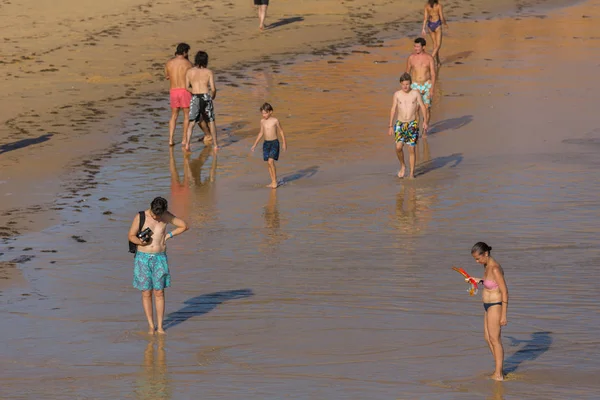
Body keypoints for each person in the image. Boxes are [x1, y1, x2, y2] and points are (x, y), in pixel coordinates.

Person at [128, 197, 189, 335]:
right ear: (151, 208)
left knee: (159, 292)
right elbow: (131, 235)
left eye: (159, 216)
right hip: (142, 258)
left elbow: (184, 225)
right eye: (155, 215)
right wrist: (140, 242)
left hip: (160, 258)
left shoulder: (166, 216)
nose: (156, 218)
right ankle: (151, 326)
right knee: (146, 292)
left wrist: (169, 235)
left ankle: (160, 326)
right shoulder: (141, 216)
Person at [467, 242, 509, 381]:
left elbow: (504, 291)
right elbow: (489, 283)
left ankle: (499, 374)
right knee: (488, 338)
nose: (477, 261)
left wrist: (503, 315)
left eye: (478, 258)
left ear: (486, 254)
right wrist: (476, 281)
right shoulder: (486, 265)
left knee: (495, 340)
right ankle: (499, 368)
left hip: (496, 305)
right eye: (475, 259)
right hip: (487, 305)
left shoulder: (495, 268)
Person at [387, 73, 428, 179]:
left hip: (412, 124)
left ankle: (411, 174)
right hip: (400, 124)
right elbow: (393, 109)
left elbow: (423, 107)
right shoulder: (397, 94)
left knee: (411, 149)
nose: (405, 86)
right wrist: (390, 125)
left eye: (407, 84)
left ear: (411, 84)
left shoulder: (415, 94)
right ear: (400, 84)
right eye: (403, 84)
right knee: (398, 147)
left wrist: (425, 121)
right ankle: (403, 166)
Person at [185, 51, 219, 152]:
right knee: (211, 121)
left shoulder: (189, 72)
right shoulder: (208, 72)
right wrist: (212, 96)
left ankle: (187, 144)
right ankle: (216, 145)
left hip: (195, 97)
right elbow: (213, 89)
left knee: (191, 122)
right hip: (205, 96)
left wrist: (195, 92)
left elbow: (187, 87)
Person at [251, 102, 287, 188]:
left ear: (270, 112)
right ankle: (273, 181)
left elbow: (281, 131)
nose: (264, 115)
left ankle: (275, 182)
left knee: (271, 161)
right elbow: (261, 133)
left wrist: (284, 143)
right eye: (262, 113)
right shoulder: (262, 121)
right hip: (266, 144)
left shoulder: (275, 121)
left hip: (274, 143)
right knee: (268, 163)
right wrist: (254, 144)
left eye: (265, 113)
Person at [164, 43, 193, 147]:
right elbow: (191, 78)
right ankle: (184, 139)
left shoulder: (169, 63)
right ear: (185, 52)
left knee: (173, 115)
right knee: (186, 115)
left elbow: (167, 76)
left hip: (173, 90)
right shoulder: (188, 64)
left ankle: (171, 139)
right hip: (184, 90)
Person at [405, 38, 436, 126]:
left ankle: (425, 128)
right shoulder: (411, 58)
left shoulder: (429, 58)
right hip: (415, 85)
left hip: (427, 85)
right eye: (415, 46)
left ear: (423, 47)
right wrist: (406, 88)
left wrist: (432, 89)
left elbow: (433, 74)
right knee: (416, 109)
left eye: (418, 46)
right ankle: (417, 129)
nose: (416, 48)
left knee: (426, 108)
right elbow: (407, 73)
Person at [421, 0, 448, 66]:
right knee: (438, 45)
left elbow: (425, 18)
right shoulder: (439, 6)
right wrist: (445, 24)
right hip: (437, 25)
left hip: (430, 25)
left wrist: (423, 28)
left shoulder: (426, 6)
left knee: (435, 45)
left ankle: (438, 62)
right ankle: (430, 59)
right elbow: (441, 17)